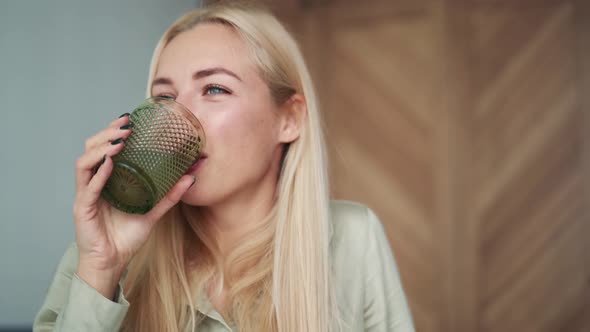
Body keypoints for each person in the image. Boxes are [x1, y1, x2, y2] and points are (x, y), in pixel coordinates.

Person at [33, 3, 415, 332]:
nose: (175, 120)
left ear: (289, 119)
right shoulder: (102, 251)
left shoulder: (352, 238)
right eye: (164, 97)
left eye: (215, 89)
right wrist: (102, 269)